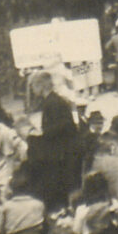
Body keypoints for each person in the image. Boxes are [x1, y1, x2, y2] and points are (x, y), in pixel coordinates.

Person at [28, 70, 80, 210]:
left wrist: (43, 133)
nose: (32, 90)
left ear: (41, 85)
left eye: (33, 86)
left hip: (63, 152)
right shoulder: (52, 100)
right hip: (63, 149)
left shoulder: (52, 102)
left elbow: (63, 126)